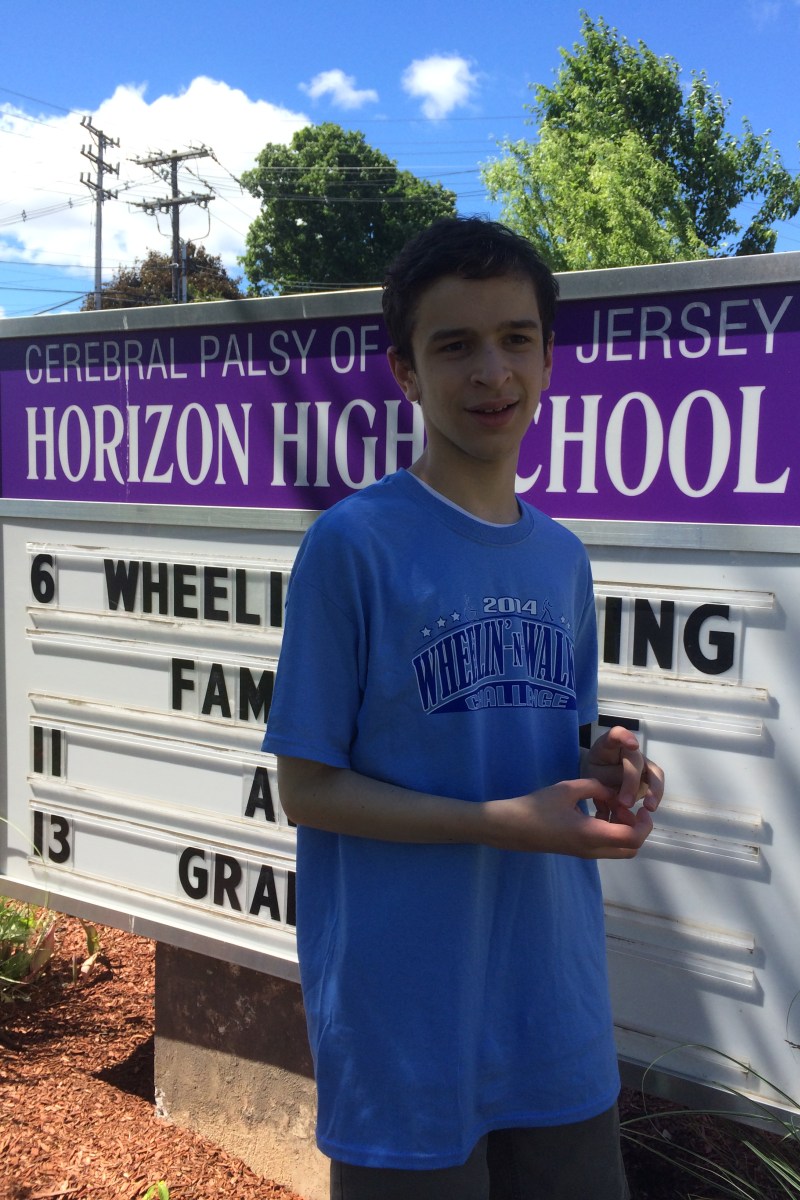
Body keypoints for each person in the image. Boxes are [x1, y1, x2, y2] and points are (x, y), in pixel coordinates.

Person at [262, 216, 664, 1200]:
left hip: (554, 1012)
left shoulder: (561, 556)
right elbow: (306, 790)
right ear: (405, 371)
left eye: (515, 338)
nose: (492, 372)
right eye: (454, 346)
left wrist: (609, 770)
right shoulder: (351, 545)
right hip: (406, 1028)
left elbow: (560, 739)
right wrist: (498, 822)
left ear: (547, 357)